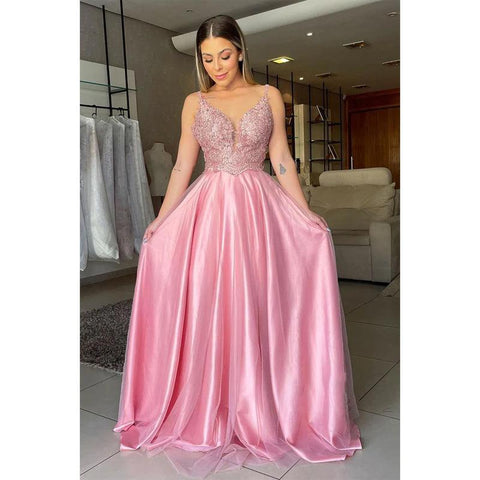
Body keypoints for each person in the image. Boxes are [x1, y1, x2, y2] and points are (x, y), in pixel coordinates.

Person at [113, 14, 362, 479]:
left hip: (257, 209)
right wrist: (161, 220)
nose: (217, 66)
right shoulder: (194, 102)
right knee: (213, 304)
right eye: (207, 59)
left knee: (258, 303)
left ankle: (260, 405)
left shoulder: (269, 96)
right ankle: (212, 403)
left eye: (224, 55)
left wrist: (305, 213)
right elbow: (182, 166)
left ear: (241, 50)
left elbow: (281, 159)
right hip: (209, 211)